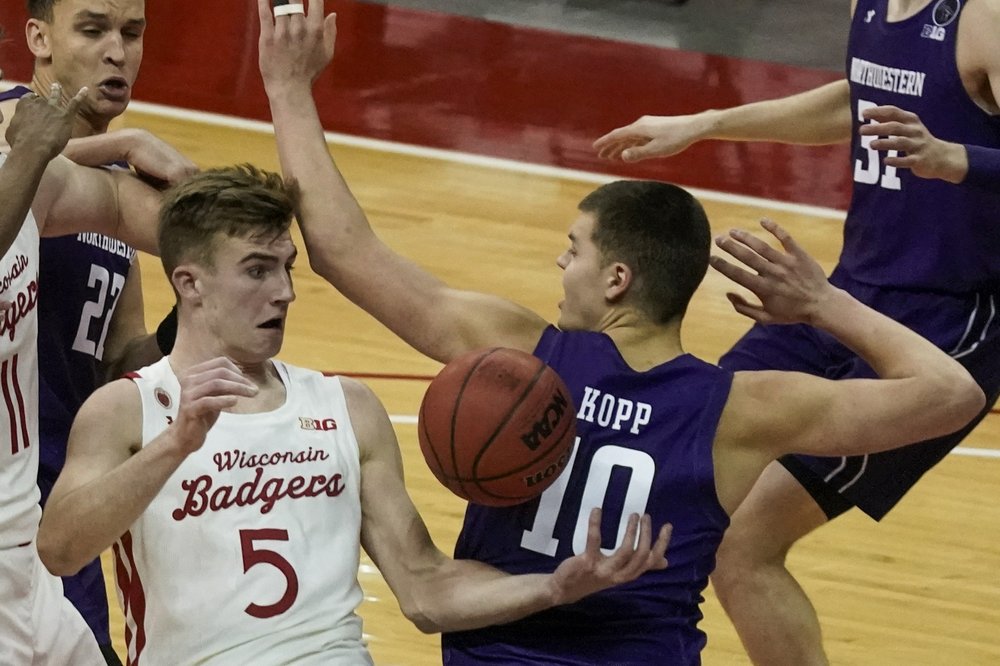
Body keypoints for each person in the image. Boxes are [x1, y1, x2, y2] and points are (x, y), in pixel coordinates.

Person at [253, 2, 985, 663]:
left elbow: (343, 250)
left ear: (616, 280)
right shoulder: (736, 412)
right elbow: (950, 394)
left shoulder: (520, 353)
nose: (559, 260)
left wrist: (288, 90)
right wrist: (823, 303)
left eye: (574, 249)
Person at [35, 161, 671, 665]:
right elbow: (61, 550)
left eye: (285, 268)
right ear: (190, 283)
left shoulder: (345, 406)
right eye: (256, 271)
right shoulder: (126, 409)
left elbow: (426, 590)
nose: (283, 291)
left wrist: (554, 586)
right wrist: (173, 447)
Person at [593, 0, 1000, 662]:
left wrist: (955, 159)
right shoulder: (871, 4)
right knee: (675, 444)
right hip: (843, 294)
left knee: (744, 544)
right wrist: (708, 123)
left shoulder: (983, 18)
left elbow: (946, 135)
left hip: (948, 325)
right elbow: (859, 99)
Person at [0, 2, 197, 661]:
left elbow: (119, 363)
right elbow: (21, 155)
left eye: (132, 33)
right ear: (39, 37)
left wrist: (189, 316)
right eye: (93, 30)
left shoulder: (112, 199)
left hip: (61, 514)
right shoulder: (8, 114)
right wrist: (120, 143)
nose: (118, 51)